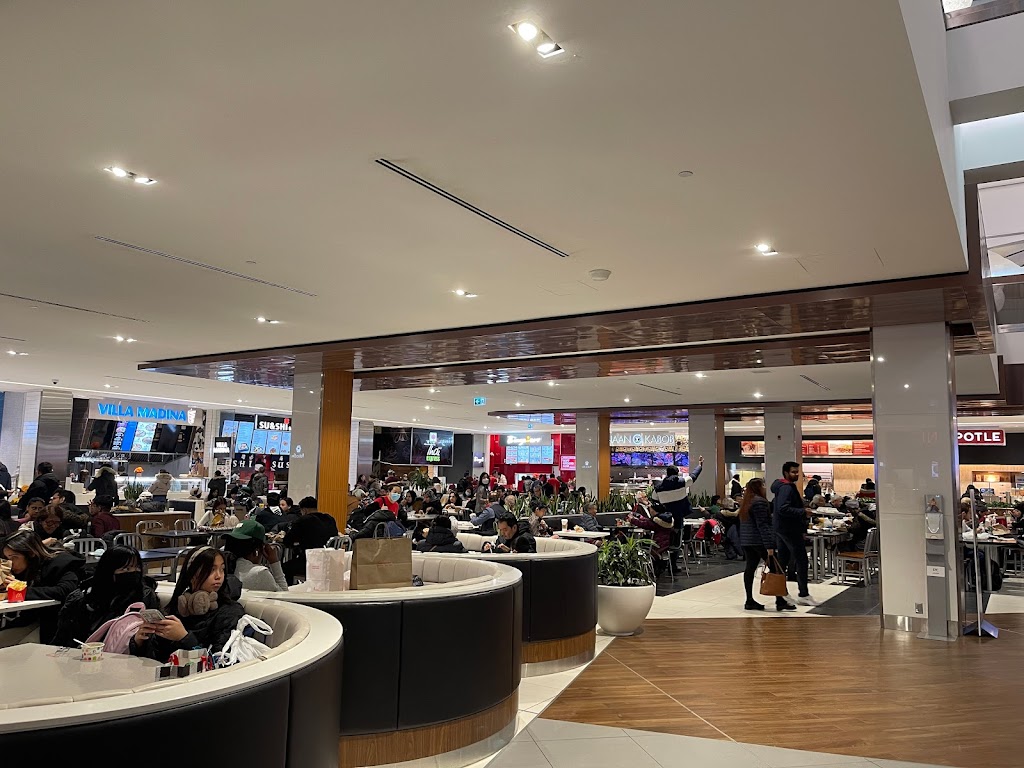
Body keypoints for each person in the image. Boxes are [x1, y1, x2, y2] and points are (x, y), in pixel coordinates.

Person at [130, 546, 244, 660]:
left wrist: (184, 638)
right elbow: (157, 656)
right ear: (192, 575)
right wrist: (140, 642)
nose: (218, 576)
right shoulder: (179, 607)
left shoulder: (230, 612)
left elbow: (219, 660)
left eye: (222, 569)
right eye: (211, 570)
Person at [52, 545, 160, 647]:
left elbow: (153, 642)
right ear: (108, 571)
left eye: (137, 567)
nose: (134, 572)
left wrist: (137, 642)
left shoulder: (144, 596)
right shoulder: (82, 598)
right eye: (126, 569)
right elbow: (63, 638)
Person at [1, 530, 84, 641]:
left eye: (14, 557)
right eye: (7, 558)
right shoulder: (22, 568)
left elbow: (65, 590)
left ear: (31, 554)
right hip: (30, 620)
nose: (10, 563)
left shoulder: (61, 562)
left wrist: (21, 590)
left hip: (57, 625)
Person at [739, 478, 794, 611]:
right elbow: (763, 525)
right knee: (776, 569)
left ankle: (749, 600)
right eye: (763, 485)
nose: (765, 488)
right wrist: (769, 546)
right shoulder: (760, 502)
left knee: (750, 569)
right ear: (758, 487)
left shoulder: (747, 502)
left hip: (747, 541)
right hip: (759, 541)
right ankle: (780, 600)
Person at [771, 462, 817, 606]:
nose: (796, 475)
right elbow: (783, 509)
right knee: (801, 560)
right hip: (790, 529)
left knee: (782, 562)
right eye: (793, 472)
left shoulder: (781, 487)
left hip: (781, 529)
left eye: (797, 472)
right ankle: (803, 594)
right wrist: (803, 511)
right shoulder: (786, 488)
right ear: (786, 473)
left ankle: (780, 594)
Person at [283, 497, 339, 584]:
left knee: (285, 567)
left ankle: (288, 589)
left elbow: (287, 541)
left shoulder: (303, 520)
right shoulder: (329, 519)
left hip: (310, 562)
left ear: (304, 510)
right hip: (330, 561)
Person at [223, 520, 289, 591]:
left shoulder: (222, 569)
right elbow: (284, 593)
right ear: (257, 550)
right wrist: (274, 561)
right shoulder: (259, 573)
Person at [652, 457, 704, 528]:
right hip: (680, 514)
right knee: (679, 530)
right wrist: (700, 465)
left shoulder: (658, 488)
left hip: (666, 517)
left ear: (667, 473)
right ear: (677, 473)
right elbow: (694, 475)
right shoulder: (683, 482)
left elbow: (654, 499)